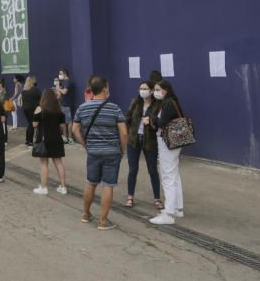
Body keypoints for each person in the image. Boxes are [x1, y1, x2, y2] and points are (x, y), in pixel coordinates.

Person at [73, 76, 127, 230]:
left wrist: (85, 144)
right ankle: (103, 221)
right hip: (112, 152)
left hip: (93, 152)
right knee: (108, 186)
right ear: (105, 89)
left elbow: (74, 129)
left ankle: (86, 214)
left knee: (90, 182)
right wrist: (122, 149)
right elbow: (124, 133)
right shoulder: (114, 108)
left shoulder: (82, 108)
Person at [149, 80, 186, 225]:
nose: (156, 92)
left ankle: (169, 214)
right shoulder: (171, 101)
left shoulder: (168, 103)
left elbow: (161, 122)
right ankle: (177, 208)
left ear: (165, 90)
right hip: (173, 142)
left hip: (167, 143)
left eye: (158, 89)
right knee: (174, 174)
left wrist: (151, 118)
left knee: (167, 176)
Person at [126, 80, 162, 210]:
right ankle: (130, 197)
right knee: (133, 169)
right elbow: (127, 118)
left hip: (150, 140)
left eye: (145, 88)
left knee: (152, 170)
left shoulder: (157, 105)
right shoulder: (135, 102)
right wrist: (130, 133)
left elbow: (159, 122)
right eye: (141, 88)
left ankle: (157, 199)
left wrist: (151, 121)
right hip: (134, 140)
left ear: (151, 90)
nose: (142, 91)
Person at [32, 88, 67, 195]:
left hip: (44, 139)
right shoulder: (59, 110)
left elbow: (35, 125)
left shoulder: (40, 109)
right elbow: (62, 126)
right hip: (56, 139)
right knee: (58, 162)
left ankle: (43, 187)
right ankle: (63, 187)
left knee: (44, 164)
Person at [20, 76, 41, 146]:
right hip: (33, 109)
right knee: (32, 124)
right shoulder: (35, 90)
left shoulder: (24, 91)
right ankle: (30, 141)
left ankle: (27, 140)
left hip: (25, 109)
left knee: (30, 124)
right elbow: (41, 98)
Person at [56, 69, 75, 143]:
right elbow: (60, 95)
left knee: (69, 122)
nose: (59, 75)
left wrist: (58, 89)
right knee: (63, 121)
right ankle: (65, 137)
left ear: (65, 74)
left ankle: (70, 138)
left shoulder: (67, 82)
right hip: (63, 104)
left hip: (67, 104)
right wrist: (58, 90)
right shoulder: (64, 82)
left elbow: (65, 92)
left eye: (60, 73)